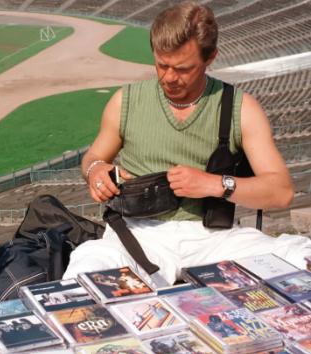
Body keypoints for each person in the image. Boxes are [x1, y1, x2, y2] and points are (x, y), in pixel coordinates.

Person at [63, 2, 311, 286]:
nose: (169, 78)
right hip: (137, 234)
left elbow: (281, 191)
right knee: (86, 268)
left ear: (210, 58)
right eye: (162, 65)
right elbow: (94, 156)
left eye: (183, 68)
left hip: (214, 237)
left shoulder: (242, 108)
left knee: (298, 255)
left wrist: (213, 184)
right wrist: (95, 170)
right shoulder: (125, 101)